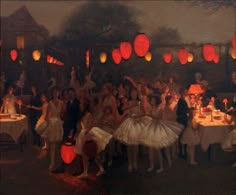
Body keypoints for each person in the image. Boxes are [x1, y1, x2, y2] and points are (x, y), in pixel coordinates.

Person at [141, 95, 183, 173]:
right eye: (151, 100)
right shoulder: (151, 108)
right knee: (151, 149)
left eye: (153, 100)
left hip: (158, 129)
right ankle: (152, 165)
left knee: (158, 149)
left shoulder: (160, 109)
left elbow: (158, 118)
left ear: (156, 101)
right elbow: (148, 115)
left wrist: (149, 115)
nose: (151, 101)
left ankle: (161, 166)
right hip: (152, 128)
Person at [74, 103, 112, 178]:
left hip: (88, 134)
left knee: (91, 153)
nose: (80, 106)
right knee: (85, 154)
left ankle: (100, 168)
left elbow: (93, 124)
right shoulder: (82, 115)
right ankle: (86, 172)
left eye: (81, 105)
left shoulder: (88, 114)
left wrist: (87, 131)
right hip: (84, 133)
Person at [114, 88, 143, 172]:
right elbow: (123, 110)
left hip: (136, 124)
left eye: (135, 93)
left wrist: (138, 117)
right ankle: (130, 163)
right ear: (130, 94)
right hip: (130, 124)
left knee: (135, 146)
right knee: (130, 145)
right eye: (132, 93)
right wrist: (131, 106)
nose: (134, 94)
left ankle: (135, 162)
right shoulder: (129, 103)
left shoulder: (139, 103)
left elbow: (142, 113)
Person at [46, 87, 64, 172]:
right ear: (52, 94)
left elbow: (63, 114)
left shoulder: (61, 103)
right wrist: (49, 123)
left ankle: (59, 162)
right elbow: (46, 116)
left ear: (58, 93)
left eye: (57, 92)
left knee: (59, 145)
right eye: (54, 92)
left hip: (59, 124)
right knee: (52, 145)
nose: (56, 94)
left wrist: (62, 120)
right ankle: (52, 163)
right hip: (52, 124)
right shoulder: (50, 103)